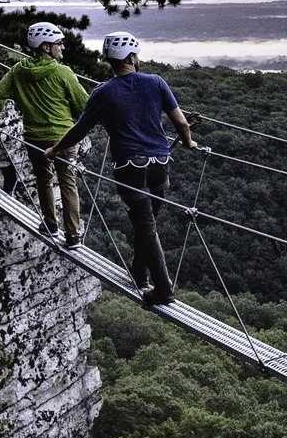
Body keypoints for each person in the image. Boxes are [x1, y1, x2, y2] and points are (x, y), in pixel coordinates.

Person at [53, 30, 198, 306]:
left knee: (145, 225)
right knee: (147, 223)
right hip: (161, 163)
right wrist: (189, 143)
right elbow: (180, 122)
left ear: (110, 61)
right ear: (132, 56)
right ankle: (140, 274)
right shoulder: (156, 82)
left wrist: (54, 150)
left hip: (130, 167)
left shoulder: (103, 92)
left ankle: (163, 288)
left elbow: (80, 129)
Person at [0, 21, 89, 246]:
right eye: (58, 43)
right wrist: (83, 128)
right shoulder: (63, 72)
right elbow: (85, 105)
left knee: (43, 179)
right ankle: (73, 235)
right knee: (68, 183)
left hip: (34, 138)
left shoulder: (18, 70)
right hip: (64, 137)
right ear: (46, 47)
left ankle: (50, 224)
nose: (62, 48)